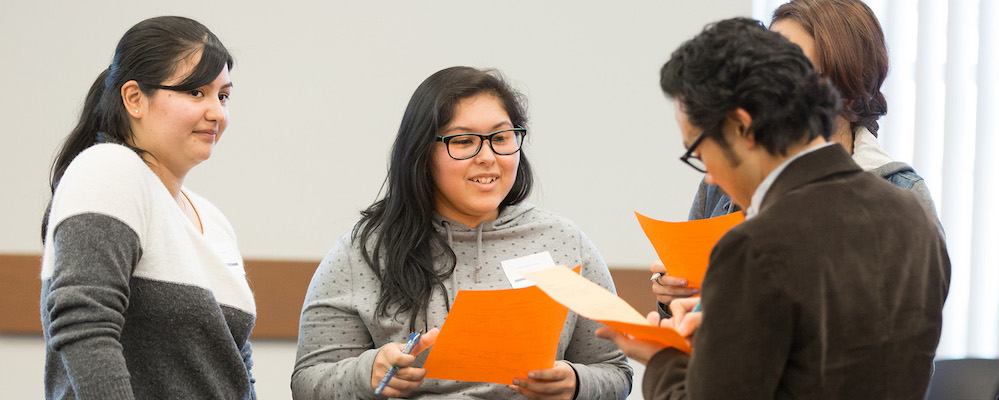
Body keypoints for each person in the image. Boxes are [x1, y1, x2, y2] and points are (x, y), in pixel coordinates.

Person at [597, 17, 950, 399]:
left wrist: (664, 357)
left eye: (699, 152)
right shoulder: (912, 216)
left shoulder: (755, 245)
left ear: (742, 127)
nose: (710, 179)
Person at [292, 66, 632, 399]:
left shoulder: (562, 239)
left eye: (500, 138)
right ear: (422, 153)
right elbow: (307, 382)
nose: (487, 157)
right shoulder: (364, 249)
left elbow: (614, 370)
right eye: (464, 141)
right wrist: (366, 374)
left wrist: (575, 383)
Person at [652, 0, 943, 315]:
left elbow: (904, 340)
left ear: (846, 84)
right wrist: (676, 300)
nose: (767, 86)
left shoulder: (900, 196)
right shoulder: (721, 184)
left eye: (789, 69)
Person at [39, 16, 255, 399]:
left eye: (223, 96)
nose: (217, 113)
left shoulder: (214, 222)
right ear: (135, 98)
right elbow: (84, 322)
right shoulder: (108, 169)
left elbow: (237, 370)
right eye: (195, 92)